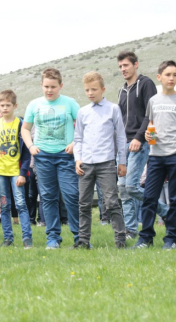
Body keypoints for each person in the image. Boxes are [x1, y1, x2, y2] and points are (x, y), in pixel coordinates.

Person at [133, 60, 176, 250]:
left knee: (175, 198)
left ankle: (171, 239)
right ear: (159, 77)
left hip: (175, 154)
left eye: (175, 74)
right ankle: (145, 238)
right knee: (150, 197)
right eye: (168, 74)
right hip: (156, 156)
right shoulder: (153, 101)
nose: (171, 78)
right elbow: (151, 125)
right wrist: (149, 136)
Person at [22, 68, 80, 250]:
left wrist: (75, 143)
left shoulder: (70, 103)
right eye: (46, 86)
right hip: (43, 156)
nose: (49, 90)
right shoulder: (34, 105)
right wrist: (31, 146)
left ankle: (80, 237)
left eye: (53, 87)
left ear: (60, 86)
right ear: (41, 85)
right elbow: (25, 129)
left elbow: (83, 125)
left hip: (66, 156)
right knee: (48, 197)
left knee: (71, 195)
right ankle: (53, 238)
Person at [117, 51, 168, 240]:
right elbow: (120, 120)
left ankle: (166, 211)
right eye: (120, 66)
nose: (123, 69)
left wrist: (139, 138)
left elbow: (151, 114)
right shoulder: (121, 91)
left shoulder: (146, 84)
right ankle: (130, 230)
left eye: (126, 65)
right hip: (123, 144)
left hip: (140, 142)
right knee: (123, 189)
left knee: (131, 187)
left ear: (135, 65)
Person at [73, 72, 127, 249]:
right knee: (84, 203)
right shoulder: (83, 112)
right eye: (87, 90)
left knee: (111, 202)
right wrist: (77, 159)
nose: (90, 93)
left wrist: (122, 161)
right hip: (86, 164)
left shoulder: (113, 109)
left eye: (94, 89)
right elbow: (78, 138)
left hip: (106, 163)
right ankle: (83, 241)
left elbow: (120, 137)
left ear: (103, 89)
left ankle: (120, 240)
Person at [0, 90, 32, 248]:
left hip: (16, 172)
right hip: (0, 173)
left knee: (20, 205)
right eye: (2, 105)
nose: (4, 108)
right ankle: (8, 238)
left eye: (8, 105)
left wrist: (23, 172)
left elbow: (26, 152)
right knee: (4, 205)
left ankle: (27, 238)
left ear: (15, 106)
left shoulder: (21, 124)